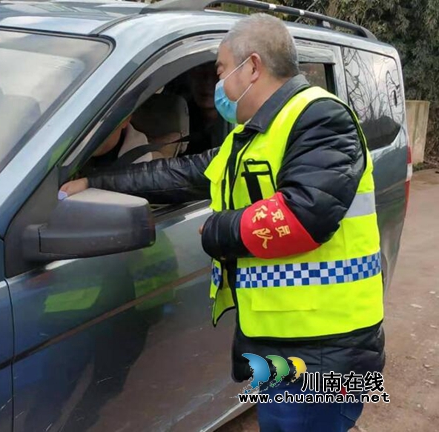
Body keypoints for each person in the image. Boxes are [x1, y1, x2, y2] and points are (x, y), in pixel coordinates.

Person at [60, 13, 385, 432]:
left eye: (219, 70)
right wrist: (96, 180)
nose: (217, 85)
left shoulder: (320, 117)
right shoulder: (253, 133)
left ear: (251, 66)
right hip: (289, 343)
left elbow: (304, 215)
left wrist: (217, 230)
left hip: (325, 349)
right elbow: (182, 174)